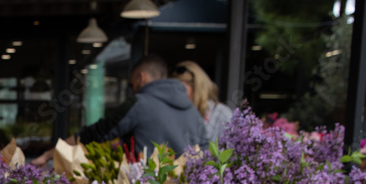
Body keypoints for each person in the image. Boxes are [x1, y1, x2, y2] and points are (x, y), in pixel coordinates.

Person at [32, 55, 206, 166]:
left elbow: (96, 133)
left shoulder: (139, 104)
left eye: (132, 85)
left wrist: (48, 155)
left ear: (141, 78)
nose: (133, 90)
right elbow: (204, 156)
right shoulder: (194, 112)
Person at [172, 60, 233, 143]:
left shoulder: (221, 113)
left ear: (197, 88)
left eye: (181, 90)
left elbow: (231, 147)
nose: (176, 95)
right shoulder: (175, 113)